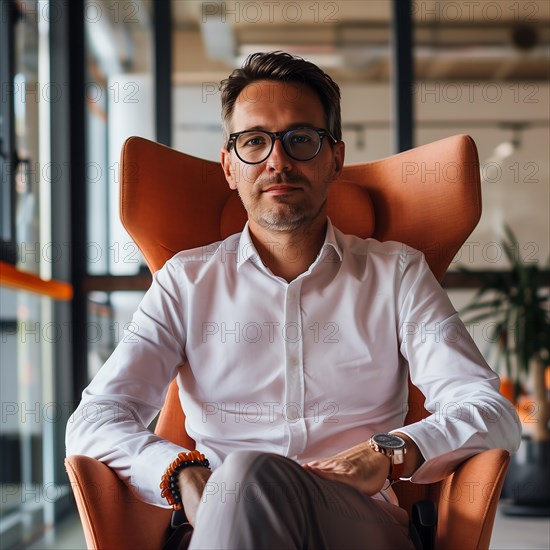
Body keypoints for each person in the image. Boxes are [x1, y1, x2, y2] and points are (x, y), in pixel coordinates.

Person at [66, 51, 521, 549]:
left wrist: (390, 451)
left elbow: (488, 408)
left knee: (247, 475)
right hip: (218, 515)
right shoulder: (185, 282)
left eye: (301, 140)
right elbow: (93, 420)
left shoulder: (396, 273)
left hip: (356, 522)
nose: (277, 161)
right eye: (254, 142)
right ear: (228, 166)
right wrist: (183, 475)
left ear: (335, 160)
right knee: (243, 479)